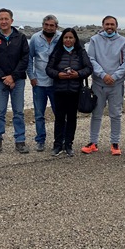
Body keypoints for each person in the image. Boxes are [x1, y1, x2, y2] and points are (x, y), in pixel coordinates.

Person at [82, 16, 125, 156]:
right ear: (103, 25)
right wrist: (103, 75)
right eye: (107, 24)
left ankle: (115, 143)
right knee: (96, 114)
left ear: (116, 26)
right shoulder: (94, 40)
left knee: (115, 114)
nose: (109, 27)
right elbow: (91, 59)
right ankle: (93, 142)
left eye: (112, 24)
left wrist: (114, 76)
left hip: (116, 84)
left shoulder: (123, 42)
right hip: (98, 83)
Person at [0, 8, 30, 154]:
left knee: (18, 112)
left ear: (12, 20)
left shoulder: (21, 37)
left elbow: (25, 59)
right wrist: (3, 78)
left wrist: (13, 77)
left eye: (6, 19)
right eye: (1, 19)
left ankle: (20, 141)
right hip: (0, 82)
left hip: (18, 81)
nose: (4, 21)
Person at [45, 28, 93, 157]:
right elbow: (48, 69)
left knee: (72, 118)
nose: (68, 40)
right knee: (59, 118)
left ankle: (69, 144)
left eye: (71, 37)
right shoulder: (57, 52)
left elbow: (89, 68)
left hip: (74, 90)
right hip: (59, 90)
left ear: (75, 39)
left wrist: (77, 74)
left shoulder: (80, 52)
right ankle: (57, 145)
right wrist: (58, 75)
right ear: (62, 39)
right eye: (66, 37)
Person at [27, 15, 62, 152]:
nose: (48, 27)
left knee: (58, 114)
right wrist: (31, 76)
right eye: (46, 25)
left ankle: (59, 140)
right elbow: (29, 58)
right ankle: (40, 140)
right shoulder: (35, 38)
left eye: (51, 25)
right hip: (39, 83)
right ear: (43, 25)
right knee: (39, 114)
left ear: (56, 27)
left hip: (56, 83)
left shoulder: (61, 38)